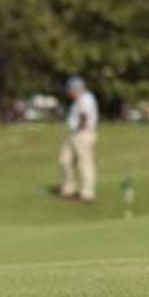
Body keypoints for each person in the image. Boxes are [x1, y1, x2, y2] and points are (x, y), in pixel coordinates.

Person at [59, 75, 99, 203]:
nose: (69, 93)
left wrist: (79, 129)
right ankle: (69, 190)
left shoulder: (86, 98)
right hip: (74, 134)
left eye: (70, 90)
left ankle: (87, 195)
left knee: (84, 164)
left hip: (83, 134)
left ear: (76, 89)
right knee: (64, 160)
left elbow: (84, 115)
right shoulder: (78, 100)